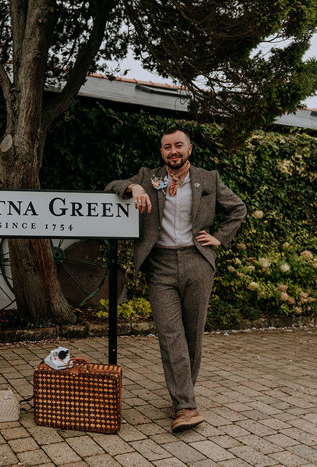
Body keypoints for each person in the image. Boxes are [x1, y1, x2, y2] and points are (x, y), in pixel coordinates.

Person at [106, 127, 246, 432]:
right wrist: (134, 188)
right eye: (167, 147)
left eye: (178, 145)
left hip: (198, 263)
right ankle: (186, 406)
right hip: (160, 265)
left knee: (192, 336)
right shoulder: (149, 176)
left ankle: (183, 395)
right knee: (171, 335)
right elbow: (110, 186)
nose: (173, 151)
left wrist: (220, 238)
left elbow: (238, 209)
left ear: (189, 149)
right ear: (162, 153)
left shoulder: (208, 179)